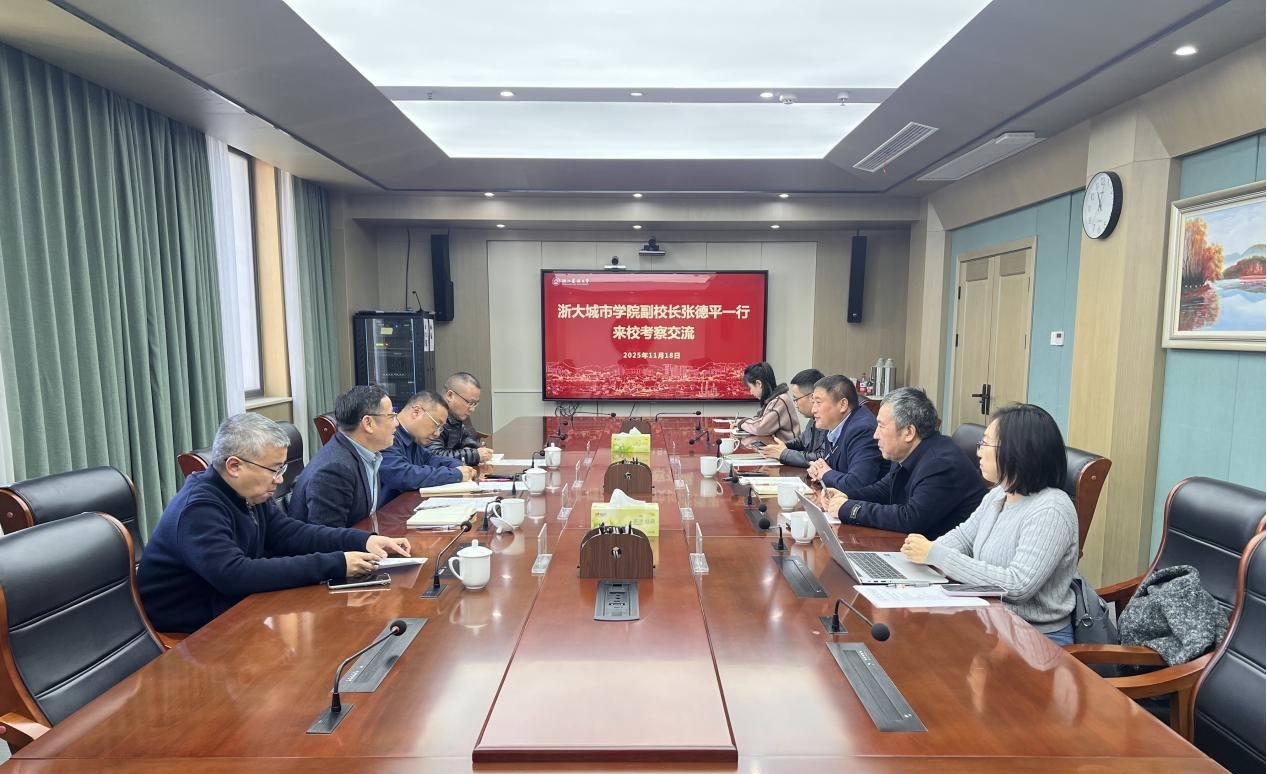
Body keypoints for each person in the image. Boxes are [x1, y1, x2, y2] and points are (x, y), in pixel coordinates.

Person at [138, 413, 410, 633]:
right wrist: (337, 563)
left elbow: (291, 534)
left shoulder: (247, 494)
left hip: (237, 609)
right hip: (195, 630)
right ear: (234, 466)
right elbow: (235, 575)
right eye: (274, 469)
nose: (280, 479)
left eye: (282, 469)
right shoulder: (198, 509)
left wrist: (363, 540)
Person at [900, 404, 1078, 645]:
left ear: (1017, 451)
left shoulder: (1051, 509)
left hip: (1035, 637)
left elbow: (1017, 586)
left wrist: (937, 555)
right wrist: (917, 559)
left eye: (985, 444)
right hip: (991, 621)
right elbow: (964, 537)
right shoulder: (999, 493)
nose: (979, 453)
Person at [820, 387, 985, 539]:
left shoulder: (941, 464)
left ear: (908, 432)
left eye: (881, 426)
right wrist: (845, 496)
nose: (875, 435)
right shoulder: (908, 451)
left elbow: (910, 518)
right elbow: (884, 490)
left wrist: (850, 508)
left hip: (941, 556)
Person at [289, 385, 398, 528]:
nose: (396, 423)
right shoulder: (334, 470)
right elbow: (329, 537)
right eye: (391, 416)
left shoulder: (368, 455)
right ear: (368, 423)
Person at [380, 390, 479, 506]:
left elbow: (432, 459)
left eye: (441, 428)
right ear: (416, 412)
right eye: (436, 425)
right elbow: (403, 474)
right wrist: (456, 474)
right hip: (387, 512)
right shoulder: (387, 436)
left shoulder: (414, 438)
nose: (437, 434)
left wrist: (460, 466)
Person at [806, 374, 887, 491]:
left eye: (818, 402)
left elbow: (857, 483)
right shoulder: (834, 424)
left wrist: (825, 474)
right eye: (813, 403)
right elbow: (832, 468)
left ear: (843, 404)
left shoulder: (862, 429)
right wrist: (817, 469)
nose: (813, 410)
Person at [756, 368, 826, 467]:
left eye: (796, 399)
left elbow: (821, 458)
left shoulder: (828, 420)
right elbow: (802, 441)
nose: (795, 404)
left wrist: (784, 453)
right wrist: (781, 446)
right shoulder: (813, 418)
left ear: (812, 397)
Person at [430, 372, 495, 465]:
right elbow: (434, 457)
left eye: (475, 404)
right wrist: (474, 455)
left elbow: (468, 441)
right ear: (450, 395)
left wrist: (474, 451)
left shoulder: (456, 417)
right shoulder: (432, 418)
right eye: (470, 403)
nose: (472, 409)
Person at [734, 362, 797, 442]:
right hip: (778, 446)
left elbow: (760, 427)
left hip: (786, 448)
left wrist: (741, 423)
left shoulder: (779, 401)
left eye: (750, 388)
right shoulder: (775, 399)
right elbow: (760, 420)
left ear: (759, 383)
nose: (751, 392)